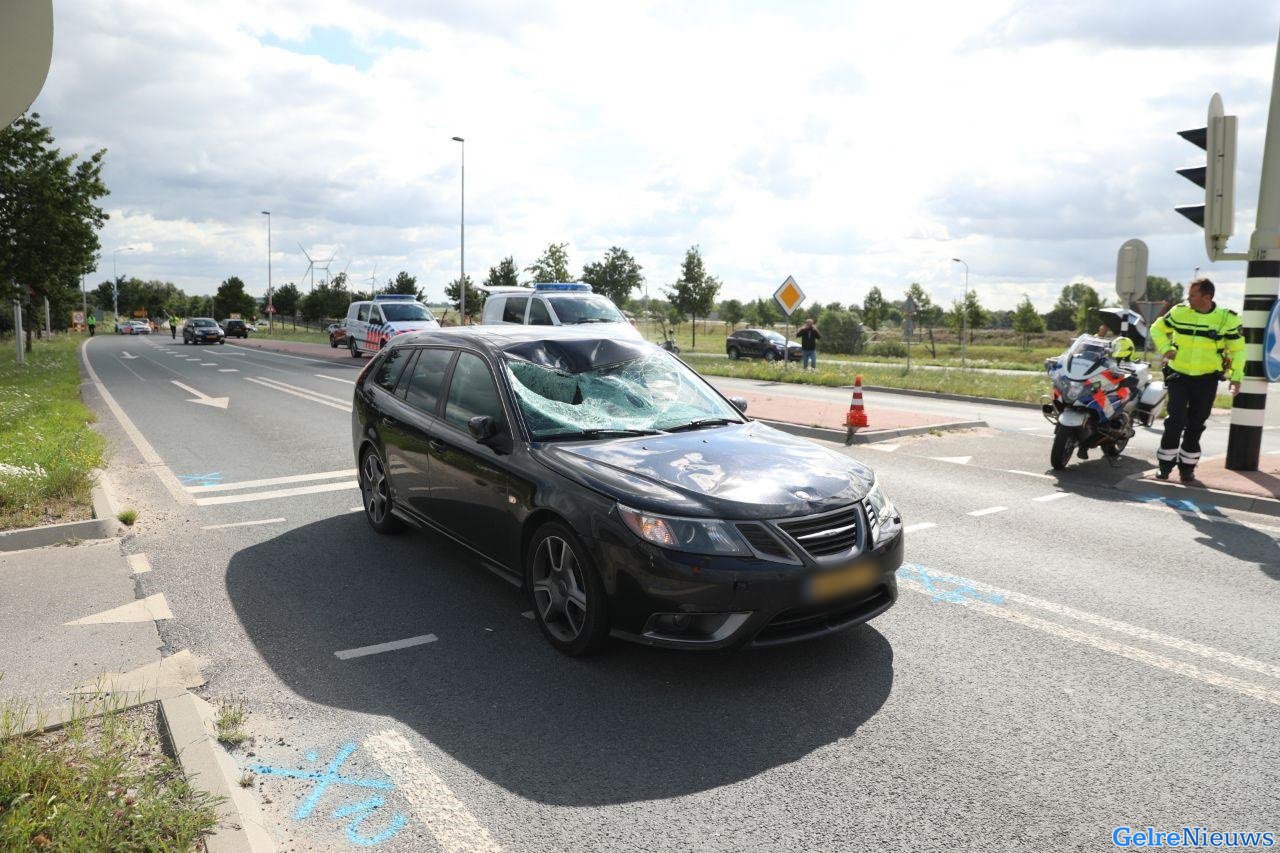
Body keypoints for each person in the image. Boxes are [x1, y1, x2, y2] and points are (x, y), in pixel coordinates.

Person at [1149, 278, 1243, 483]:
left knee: (1196, 423)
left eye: (1192, 295)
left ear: (1206, 297)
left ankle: (1187, 469)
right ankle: (1164, 467)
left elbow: (1238, 351)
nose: (1188, 299)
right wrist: (1166, 349)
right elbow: (1156, 329)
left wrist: (1236, 377)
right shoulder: (1178, 312)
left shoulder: (1226, 319)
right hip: (1178, 375)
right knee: (1175, 420)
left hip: (1207, 380)